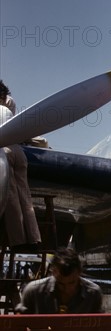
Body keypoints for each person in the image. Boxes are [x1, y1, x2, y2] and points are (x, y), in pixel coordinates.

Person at [0, 80, 42, 250]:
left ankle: (18, 242)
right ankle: (34, 239)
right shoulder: (9, 103)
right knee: (25, 197)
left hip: (4, 152)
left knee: (10, 197)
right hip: (19, 151)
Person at [16, 247, 103, 314]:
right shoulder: (33, 291)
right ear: (53, 272)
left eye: (72, 283)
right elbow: (19, 323)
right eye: (61, 284)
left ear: (79, 272)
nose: (67, 289)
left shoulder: (93, 293)